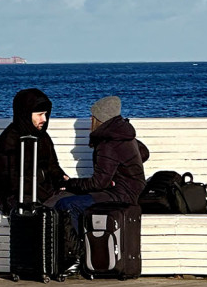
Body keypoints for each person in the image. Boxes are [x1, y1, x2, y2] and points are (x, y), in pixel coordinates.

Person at [53, 95, 150, 233]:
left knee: (66, 205)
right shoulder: (124, 134)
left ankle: (77, 251)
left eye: (92, 117)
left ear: (98, 119)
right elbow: (144, 153)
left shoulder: (108, 143)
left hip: (120, 197)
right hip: (132, 191)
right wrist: (120, 173)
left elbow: (98, 183)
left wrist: (69, 183)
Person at [0, 88, 69, 214]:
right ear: (26, 114)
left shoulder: (42, 136)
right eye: (39, 115)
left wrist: (63, 181)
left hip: (44, 194)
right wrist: (47, 194)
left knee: (79, 200)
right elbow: (12, 182)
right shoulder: (9, 141)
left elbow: (52, 167)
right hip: (18, 199)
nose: (44, 119)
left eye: (45, 114)